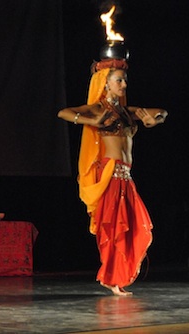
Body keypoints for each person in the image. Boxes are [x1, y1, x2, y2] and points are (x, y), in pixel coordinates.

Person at [57, 58, 168, 296]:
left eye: (125, 80)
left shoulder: (127, 112)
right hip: (110, 175)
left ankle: (116, 276)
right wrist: (90, 120)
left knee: (134, 227)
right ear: (105, 84)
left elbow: (162, 111)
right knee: (114, 229)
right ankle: (109, 277)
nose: (124, 85)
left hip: (126, 178)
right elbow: (63, 113)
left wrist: (153, 120)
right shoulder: (99, 109)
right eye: (119, 80)